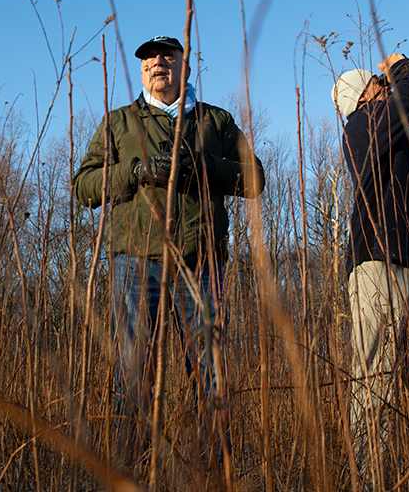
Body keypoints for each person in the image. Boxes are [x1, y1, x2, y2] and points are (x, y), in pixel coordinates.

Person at [73, 35, 265, 459]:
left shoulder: (216, 121)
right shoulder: (118, 122)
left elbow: (255, 179)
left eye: (167, 55)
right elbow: (83, 187)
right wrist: (135, 171)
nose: (157, 62)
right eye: (148, 58)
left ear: (186, 67)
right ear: (141, 71)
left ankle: (215, 473)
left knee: (211, 374)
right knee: (134, 373)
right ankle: (131, 468)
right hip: (135, 266)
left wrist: (206, 167)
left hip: (202, 264)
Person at [332, 52, 409, 488]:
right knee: (374, 386)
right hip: (377, 268)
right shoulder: (361, 128)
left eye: (384, 81)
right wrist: (403, 67)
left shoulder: (401, 138)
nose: (383, 86)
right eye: (377, 83)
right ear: (361, 97)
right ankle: (370, 482)